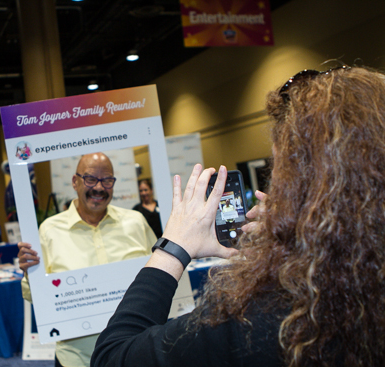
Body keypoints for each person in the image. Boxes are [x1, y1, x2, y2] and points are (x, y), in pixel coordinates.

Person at [92, 66, 385, 366]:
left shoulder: (258, 319)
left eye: (280, 168)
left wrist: (174, 246)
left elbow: (113, 357)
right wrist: (298, 235)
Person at [18, 152, 157, 367]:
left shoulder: (136, 223)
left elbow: (160, 278)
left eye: (107, 180)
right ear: (75, 182)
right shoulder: (49, 231)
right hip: (77, 358)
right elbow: (35, 296)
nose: (99, 188)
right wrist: (30, 274)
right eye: (91, 179)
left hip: (136, 353)